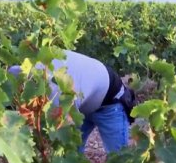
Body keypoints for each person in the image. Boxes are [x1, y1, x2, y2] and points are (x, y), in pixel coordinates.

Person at [8, 50, 136, 153]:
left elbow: (58, 129)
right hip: (83, 101)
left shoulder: (55, 93)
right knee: (71, 155)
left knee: (119, 159)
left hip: (110, 102)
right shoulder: (32, 68)